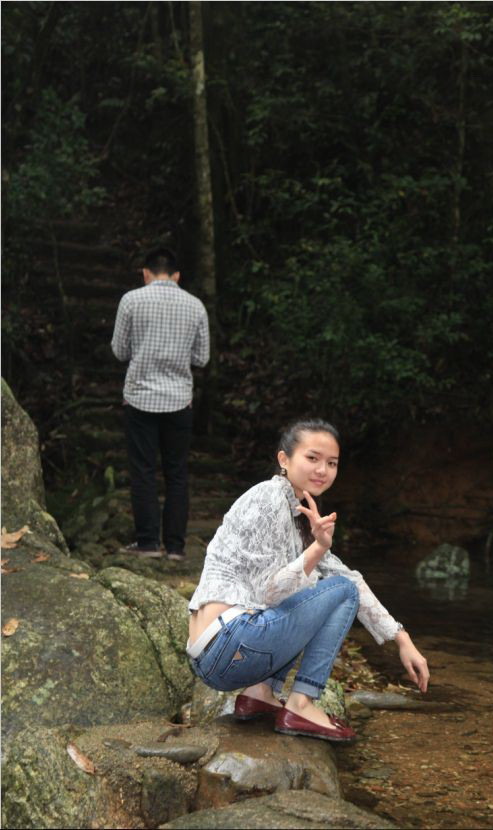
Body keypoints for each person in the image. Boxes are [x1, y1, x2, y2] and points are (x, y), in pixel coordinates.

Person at [187, 418, 429, 742]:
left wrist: (402, 639)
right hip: (230, 643)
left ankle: (260, 693)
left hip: (217, 654)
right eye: (312, 458)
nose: (322, 470)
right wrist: (318, 547)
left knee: (332, 586)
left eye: (332, 463)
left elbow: (348, 577)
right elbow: (271, 592)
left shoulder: (297, 513)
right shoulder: (269, 497)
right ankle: (301, 704)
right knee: (338, 592)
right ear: (284, 459)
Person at [111, 247, 210, 561]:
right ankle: (176, 547)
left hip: (140, 398)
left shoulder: (131, 300)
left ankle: (148, 543)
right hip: (179, 400)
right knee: (177, 473)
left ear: (145, 273)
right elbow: (202, 358)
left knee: (143, 471)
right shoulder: (195, 305)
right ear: (177, 276)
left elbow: (119, 351)